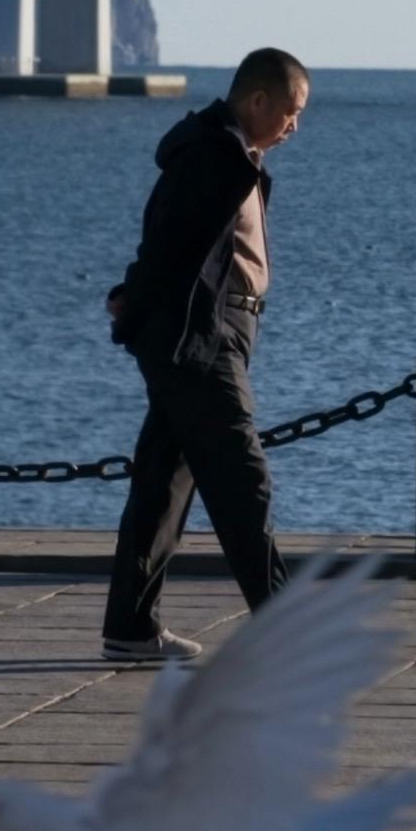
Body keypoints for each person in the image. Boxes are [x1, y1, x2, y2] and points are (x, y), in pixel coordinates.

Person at [99, 47, 311, 660]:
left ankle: (130, 629)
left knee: (164, 479)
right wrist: (134, 301)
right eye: (291, 112)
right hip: (202, 339)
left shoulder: (231, 157)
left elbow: (184, 248)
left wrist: (134, 300)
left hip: (214, 332)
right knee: (243, 478)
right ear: (258, 101)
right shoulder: (215, 159)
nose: (295, 125)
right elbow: (171, 246)